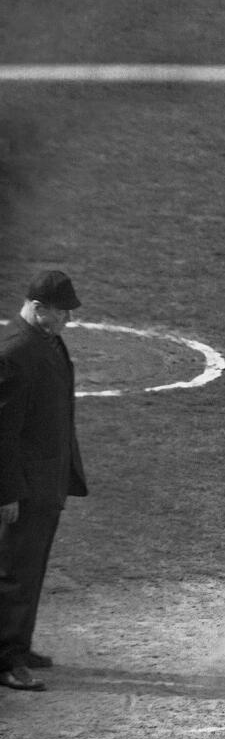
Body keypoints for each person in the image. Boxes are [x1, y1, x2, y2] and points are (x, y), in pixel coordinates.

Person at [0, 270, 89, 692]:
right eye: (62, 312)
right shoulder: (15, 352)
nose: (67, 321)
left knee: (29, 569)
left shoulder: (44, 340)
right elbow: (2, 434)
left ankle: (19, 643)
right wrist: (7, 493)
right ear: (38, 308)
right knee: (15, 571)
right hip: (24, 487)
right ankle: (6, 659)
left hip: (44, 482)